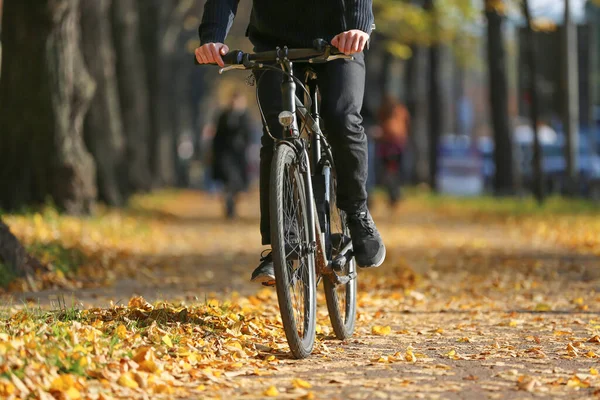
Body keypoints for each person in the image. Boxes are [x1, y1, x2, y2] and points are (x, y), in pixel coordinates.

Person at [195, 0, 386, 285]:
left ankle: (356, 213)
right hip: (274, 41)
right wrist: (212, 37)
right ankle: (282, 246)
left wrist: (358, 25)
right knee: (276, 132)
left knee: (342, 119)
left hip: (339, 39)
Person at [212, 91, 252, 219]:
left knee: (237, 184)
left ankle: (232, 205)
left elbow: (248, 136)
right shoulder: (223, 116)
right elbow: (217, 136)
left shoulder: (245, 117)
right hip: (225, 154)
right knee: (229, 180)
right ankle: (229, 208)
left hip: (239, 155)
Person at [377, 96, 410, 207]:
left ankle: (394, 194)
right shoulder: (399, 111)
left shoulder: (393, 112)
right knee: (393, 172)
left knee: (391, 172)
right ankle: (394, 194)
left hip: (391, 146)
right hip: (394, 145)